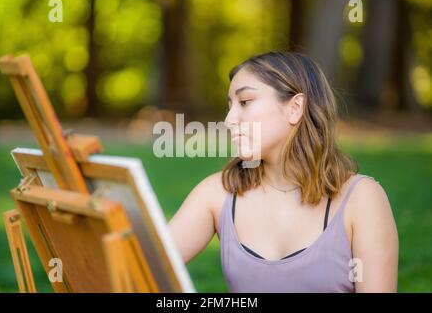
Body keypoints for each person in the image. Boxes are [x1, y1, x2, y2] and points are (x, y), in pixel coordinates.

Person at [168, 51, 398, 292]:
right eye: (230, 106)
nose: (229, 119)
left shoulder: (362, 199)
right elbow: (141, 266)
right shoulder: (217, 193)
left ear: (295, 107)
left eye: (244, 102)